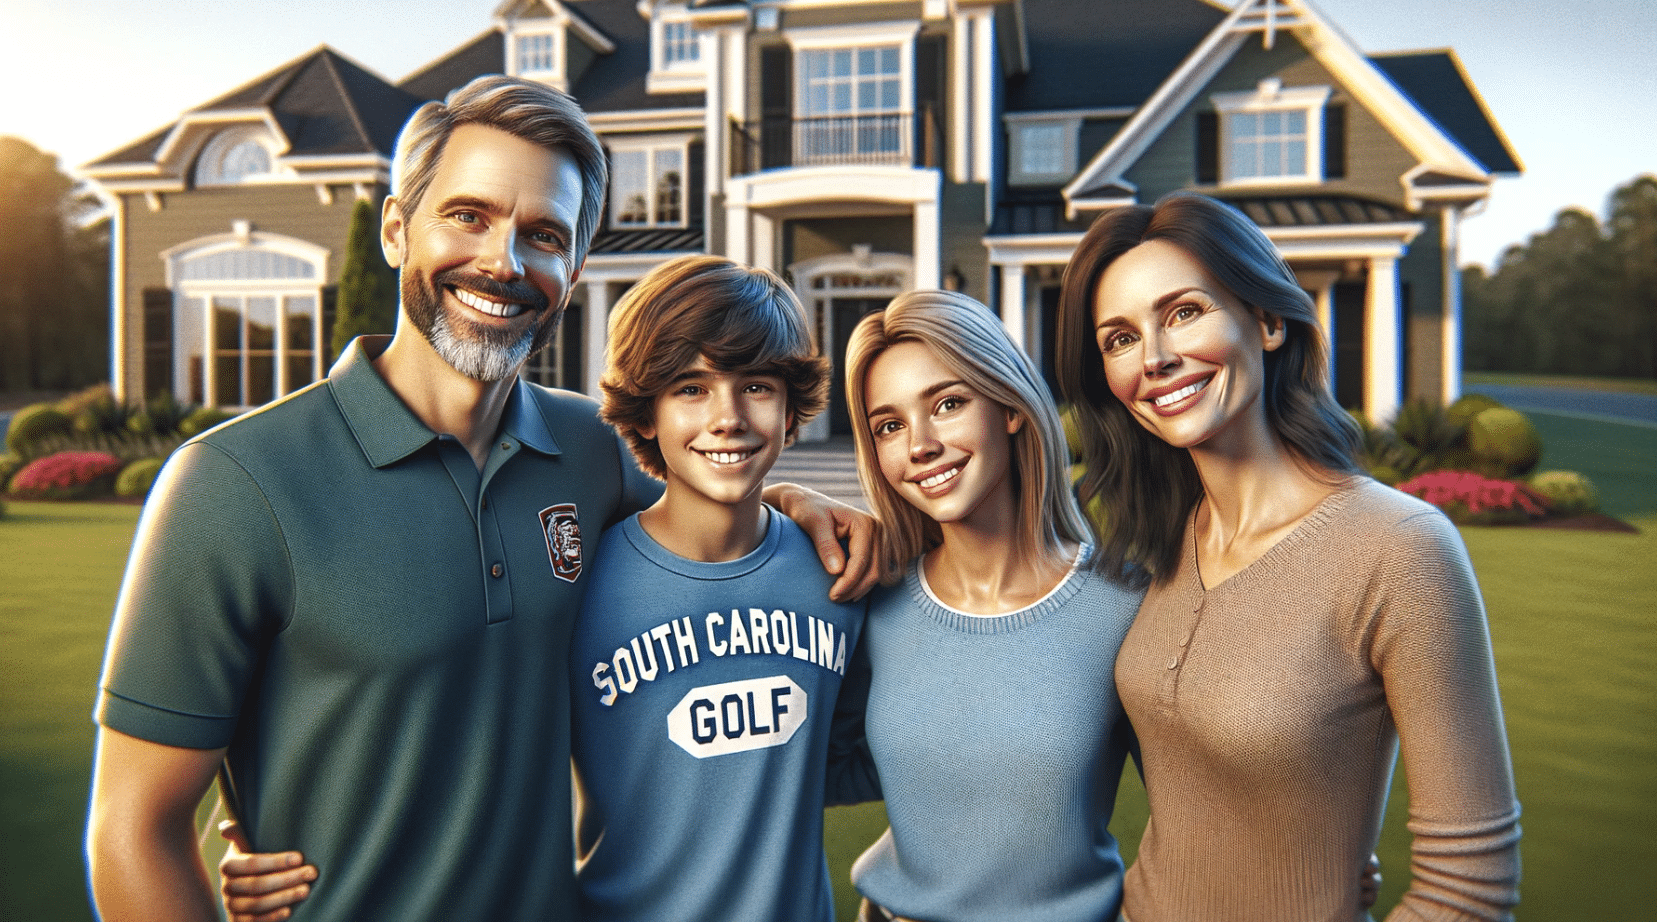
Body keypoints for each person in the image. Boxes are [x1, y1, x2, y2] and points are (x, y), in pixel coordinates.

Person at [86, 76, 875, 922]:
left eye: (542, 234)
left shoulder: (591, 453)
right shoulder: (233, 485)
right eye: (468, 216)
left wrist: (798, 503)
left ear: (571, 270)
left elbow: (714, 494)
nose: (503, 261)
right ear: (396, 229)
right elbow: (133, 831)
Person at [1054, 191, 1521, 921]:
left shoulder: (1399, 550)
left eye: (1183, 312)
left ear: (1268, 320)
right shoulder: (1159, 538)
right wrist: (810, 510)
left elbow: (1468, 890)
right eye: (1118, 338)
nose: (1156, 357)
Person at [572, 254, 875, 921]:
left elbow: (867, 755)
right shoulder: (579, 590)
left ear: (792, 409)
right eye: (690, 388)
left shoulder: (840, 572)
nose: (728, 416)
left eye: (757, 386)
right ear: (645, 411)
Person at [842, 290, 1143, 922]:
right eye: (890, 426)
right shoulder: (870, 598)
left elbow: (1209, 808)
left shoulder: (1124, 603)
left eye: (948, 404)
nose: (920, 445)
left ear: (1008, 405)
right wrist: (788, 498)